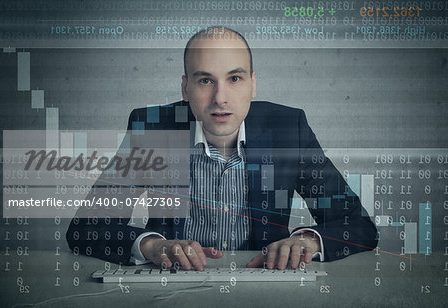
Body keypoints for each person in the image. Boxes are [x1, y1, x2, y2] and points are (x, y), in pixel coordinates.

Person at [67, 26, 377, 271]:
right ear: (185, 88)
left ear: (253, 84)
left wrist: (309, 240)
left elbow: (360, 226)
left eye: (235, 78)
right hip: (172, 284)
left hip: (265, 285)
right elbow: (85, 229)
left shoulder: (288, 130)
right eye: (205, 81)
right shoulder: (151, 129)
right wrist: (152, 246)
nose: (221, 98)